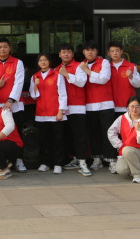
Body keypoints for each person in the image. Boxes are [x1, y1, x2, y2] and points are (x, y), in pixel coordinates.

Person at [0, 37, 27, 172]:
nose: (2, 49)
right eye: (0, 47)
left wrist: (11, 100)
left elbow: (19, 83)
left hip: (14, 105)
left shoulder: (17, 63)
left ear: (9, 48)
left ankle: (19, 160)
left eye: (5, 46)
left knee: (17, 134)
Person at [79, 41, 117, 173]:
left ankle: (112, 160)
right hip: (89, 105)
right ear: (83, 52)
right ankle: (97, 159)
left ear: (97, 52)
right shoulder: (81, 65)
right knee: (94, 134)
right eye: (87, 50)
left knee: (108, 133)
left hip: (106, 103)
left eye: (93, 50)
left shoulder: (104, 62)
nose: (90, 52)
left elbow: (103, 79)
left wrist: (87, 71)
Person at [56, 43, 92, 177]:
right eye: (63, 52)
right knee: (67, 136)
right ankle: (75, 159)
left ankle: (83, 162)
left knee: (79, 136)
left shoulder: (79, 66)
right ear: (59, 54)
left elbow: (81, 82)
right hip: (62, 108)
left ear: (72, 54)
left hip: (77, 106)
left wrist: (66, 75)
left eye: (68, 52)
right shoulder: (56, 69)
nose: (66, 54)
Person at [29, 53, 67, 174]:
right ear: (38, 63)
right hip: (41, 114)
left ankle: (58, 163)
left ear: (49, 62)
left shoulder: (57, 75)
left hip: (55, 113)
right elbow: (34, 96)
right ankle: (45, 163)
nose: (43, 62)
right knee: (44, 140)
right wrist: (36, 85)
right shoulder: (35, 76)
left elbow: (62, 94)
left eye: (45, 60)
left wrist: (61, 111)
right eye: (40, 60)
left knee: (58, 140)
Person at [107, 96, 140, 183]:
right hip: (126, 151)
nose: (134, 109)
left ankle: (139, 175)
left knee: (127, 150)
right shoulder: (122, 118)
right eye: (132, 106)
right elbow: (111, 132)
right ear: (128, 107)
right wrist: (120, 145)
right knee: (121, 170)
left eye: (137, 106)